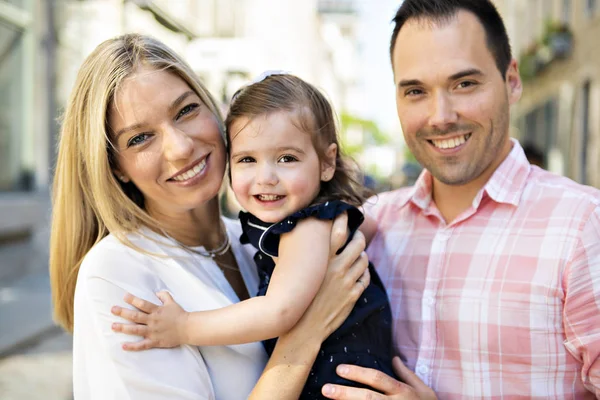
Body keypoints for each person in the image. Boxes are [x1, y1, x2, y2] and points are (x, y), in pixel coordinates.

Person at [48, 33, 376, 400]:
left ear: (215, 111)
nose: (180, 147)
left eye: (186, 111)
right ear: (116, 167)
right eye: (140, 138)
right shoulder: (117, 273)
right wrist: (307, 333)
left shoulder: (258, 238)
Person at [321, 0, 600, 398]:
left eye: (464, 84)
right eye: (416, 91)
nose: (440, 116)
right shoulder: (371, 225)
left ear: (512, 80)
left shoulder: (583, 227)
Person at [110, 72, 396, 400]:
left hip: (340, 385)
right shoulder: (324, 220)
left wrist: (184, 326)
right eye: (247, 159)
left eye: (287, 159)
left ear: (327, 163)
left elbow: (278, 312)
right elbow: (368, 227)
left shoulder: (308, 227)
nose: (266, 178)